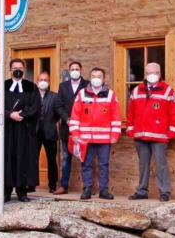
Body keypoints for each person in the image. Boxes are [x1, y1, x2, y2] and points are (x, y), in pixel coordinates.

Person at [127, 63, 175, 202]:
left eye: (155, 72)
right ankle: (141, 191)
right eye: (148, 72)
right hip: (140, 134)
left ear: (160, 74)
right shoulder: (136, 90)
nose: (151, 75)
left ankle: (164, 192)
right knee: (143, 164)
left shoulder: (168, 91)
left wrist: (172, 131)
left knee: (161, 164)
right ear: (144, 74)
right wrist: (131, 128)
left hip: (159, 135)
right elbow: (130, 112)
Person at [69, 67, 121, 200]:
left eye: (99, 76)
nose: (96, 79)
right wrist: (75, 134)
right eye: (93, 76)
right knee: (86, 164)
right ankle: (87, 189)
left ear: (104, 79)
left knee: (104, 164)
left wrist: (115, 135)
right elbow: (75, 116)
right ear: (90, 78)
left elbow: (116, 117)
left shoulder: (111, 95)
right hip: (85, 138)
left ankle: (103, 190)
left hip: (104, 139)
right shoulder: (81, 94)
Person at [0, 58, 41, 202]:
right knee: (7, 158)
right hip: (8, 129)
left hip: (25, 129)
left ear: (24, 69)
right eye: (15, 68)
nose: (18, 70)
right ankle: (6, 191)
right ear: (10, 70)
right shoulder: (3, 86)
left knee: (24, 159)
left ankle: (22, 191)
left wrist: (22, 115)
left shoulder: (31, 87)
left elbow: (36, 106)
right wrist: (10, 114)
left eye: (20, 67)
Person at [53, 61, 89, 195]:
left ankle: (87, 187)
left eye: (77, 69)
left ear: (81, 70)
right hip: (66, 128)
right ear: (69, 71)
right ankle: (63, 186)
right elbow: (59, 106)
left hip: (83, 129)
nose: (74, 71)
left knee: (85, 158)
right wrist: (67, 119)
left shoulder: (87, 85)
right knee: (66, 158)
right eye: (72, 69)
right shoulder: (63, 86)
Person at [35, 72, 60, 193]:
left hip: (49, 132)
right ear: (37, 81)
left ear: (49, 82)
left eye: (45, 80)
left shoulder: (54, 97)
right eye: (41, 79)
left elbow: (57, 115)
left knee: (51, 160)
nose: (43, 81)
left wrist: (49, 123)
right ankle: (31, 184)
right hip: (34, 133)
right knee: (33, 159)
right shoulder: (32, 96)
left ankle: (52, 184)